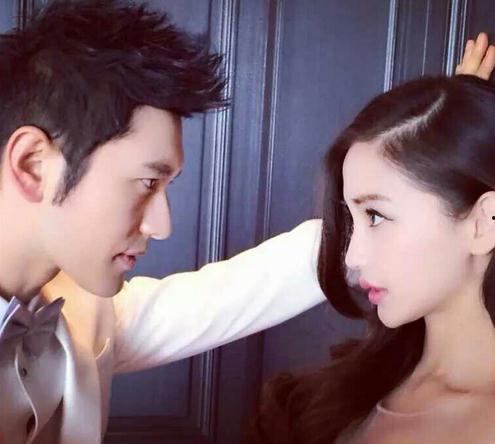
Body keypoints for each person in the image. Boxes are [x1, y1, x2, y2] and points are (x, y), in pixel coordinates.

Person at [0, 0, 491, 443]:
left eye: (376, 216)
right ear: (33, 165)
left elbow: (239, 291)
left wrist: (438, 148)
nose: (162, 225)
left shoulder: (87, 316)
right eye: (146, 182)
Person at [247, 43, 495, 444]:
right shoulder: (327, 398)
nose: (352, 257)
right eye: (352, 218)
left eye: (376, 216)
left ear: (484, 223)